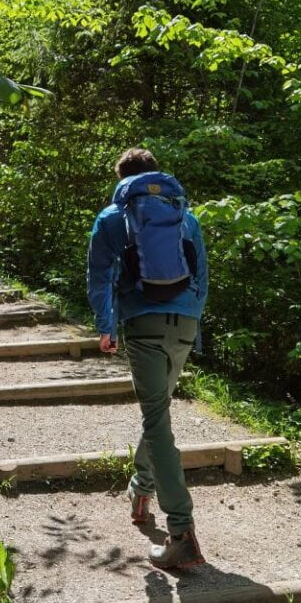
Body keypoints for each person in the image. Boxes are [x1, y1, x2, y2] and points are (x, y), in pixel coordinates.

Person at [87, 147, 208, 570]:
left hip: (143, 322)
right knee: (157, 413)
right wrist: (195, 328)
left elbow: (100, 276)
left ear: (122, 179)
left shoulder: (112, 217)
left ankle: (182, 535)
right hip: (184, 325)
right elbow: (201, 277)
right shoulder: (185, 217)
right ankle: (141, 490)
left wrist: (105, 326)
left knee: (157, 420)